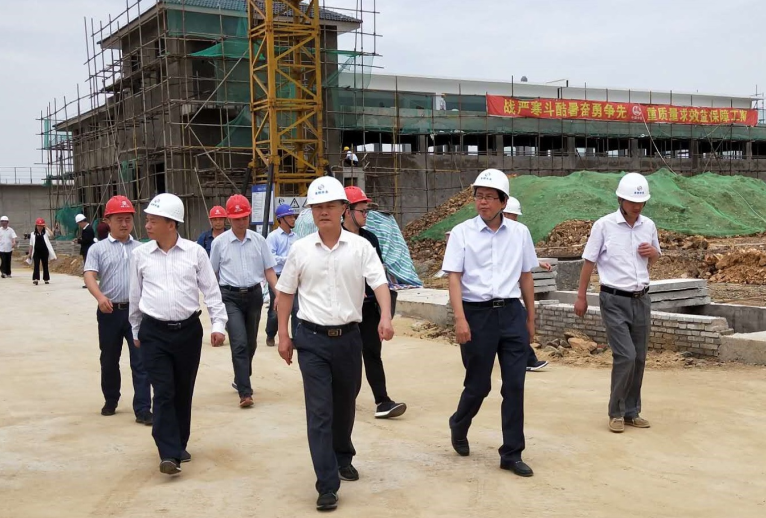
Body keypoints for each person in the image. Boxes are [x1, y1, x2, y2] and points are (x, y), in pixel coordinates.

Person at [275, 176, 394, 512]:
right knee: (319, 411)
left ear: (343, 208)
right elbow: (285, 293)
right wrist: (283, 334)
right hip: (311, 339)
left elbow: (379, 283)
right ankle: (326, 484)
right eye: (318, 207)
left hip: (348, 338)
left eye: (330, 206)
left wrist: (385, 316)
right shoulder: (300, 249)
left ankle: (343, 455)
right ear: (311, 212)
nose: (324, 212)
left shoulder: (360, 247)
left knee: (345, 403)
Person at [441, 168, 538, 478]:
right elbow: (454, 278)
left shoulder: (520, 233)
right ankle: (459, 423)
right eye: (478, 196)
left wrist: (530, 317)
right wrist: (460, 319)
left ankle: (512, 453)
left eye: (489, 197)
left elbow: (526, 276)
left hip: (511, 313)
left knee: (515, 385)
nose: (482, 202)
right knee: (479, 385)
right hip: (476, 314)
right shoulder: (462, 233)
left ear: (503, 201)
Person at [129, 193, 228, 475]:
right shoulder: (140, 255)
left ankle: (179, 443)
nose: (147, 225)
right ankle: (168, 452)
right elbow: (135, 295)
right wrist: (135, 329)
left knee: (183, 391)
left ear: (171, 224)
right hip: (154, 332)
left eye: (153, 221)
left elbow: (211, 291)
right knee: (163, 391)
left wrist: (218, 325)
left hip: (188, 332)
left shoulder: (195, 253)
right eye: (147, 220)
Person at [574, 173, 661, 434]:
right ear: (620, 199)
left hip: (641, 299)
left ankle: (632, 411)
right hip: (613, 299)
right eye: (632, 201)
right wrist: (581, 296)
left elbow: (654, 258)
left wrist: (653, 253)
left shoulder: (648, 226)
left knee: (640, 358)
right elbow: (589, 262)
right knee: (626, 355)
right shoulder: (604, 226)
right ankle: (616, 412)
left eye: (641, 202)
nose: (637, 206)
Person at [84, 196, 152, 424]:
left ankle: (143, 409)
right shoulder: (97, 249)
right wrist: (100, 297)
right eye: (119, 219)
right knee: (109, 360)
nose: (124, 224)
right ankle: (111, 399)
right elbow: (89, 275)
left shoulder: (142, 249)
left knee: (140, 361)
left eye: (128, 219)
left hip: (137, 313)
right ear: (108, 221)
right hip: (110, 312)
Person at [342, 186, 407, 419]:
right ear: (347, 211)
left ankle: (383, 401)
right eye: (362, 211)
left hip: (368, 307)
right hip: (344, 310)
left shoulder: (370, 238)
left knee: (372, 352)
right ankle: (342, 403)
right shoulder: (336, 239)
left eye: (367, 211)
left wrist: (384, 313)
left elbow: (377, 275)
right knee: (348, 358)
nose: (366, 215)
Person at [210, 194, 278, 408]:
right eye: (237, 218)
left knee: (250, 343)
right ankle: (245, 392)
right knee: (239, 342)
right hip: (229, 297)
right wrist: (213, 303)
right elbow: (212, 273)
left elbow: (269, 270)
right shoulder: (219, 243)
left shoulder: (259, 241)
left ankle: (241, 376)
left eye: (245, 218)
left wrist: (278, 293)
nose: (241, 222)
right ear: (229, 219)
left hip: (254, 296)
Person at [501, 197, 549, 372]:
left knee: (519, 327)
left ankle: (528, 360)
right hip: (493, 298)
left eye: (516, 216)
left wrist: (539, 262)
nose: (514, 220)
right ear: (504, 213)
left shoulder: (518, 233)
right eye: (512, 216)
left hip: (510, 297)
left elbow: (523, 259)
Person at [264, 203, 299, 347]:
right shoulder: (273, 237)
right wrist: (288, 259)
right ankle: (270, 333)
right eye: (289, 217)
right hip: (277, 277)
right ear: (281, 219)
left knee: (296, 309)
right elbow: (270, 258)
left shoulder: (296, 237)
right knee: (276, 309)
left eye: (293, 216)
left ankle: (296, 339)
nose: (293, 219)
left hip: (293, 277)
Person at [75, 214, 95, 289]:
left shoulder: (88, 229)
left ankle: (89, 283)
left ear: (82, 222)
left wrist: (78, 241)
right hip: (86, 250)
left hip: (88, 250)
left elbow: (87, 240)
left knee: (88, 267)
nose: (79, 225)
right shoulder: (86, 229)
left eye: (79, 224)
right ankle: (88, 282)